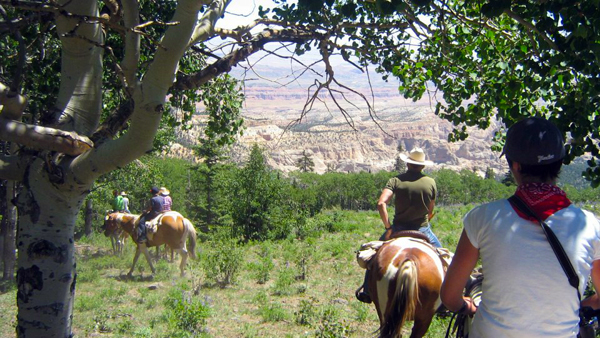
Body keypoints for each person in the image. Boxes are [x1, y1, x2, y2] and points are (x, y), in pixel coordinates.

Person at [441, 117, 600, 337]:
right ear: (560, 164)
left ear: (515, 165)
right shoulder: (590, 225)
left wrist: (465, 306)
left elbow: (449, 297)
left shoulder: (482, 217)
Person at [355, 147, 440, 304]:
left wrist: (388, 228)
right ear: (422, 166)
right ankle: (446, 297)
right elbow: (430, 210)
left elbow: (381, 203)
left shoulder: (395, 180)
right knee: (442, 257)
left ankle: (367, 290)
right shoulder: (431, 182)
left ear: (408, 164)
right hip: (422, 229)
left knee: (374, 257)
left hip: (398, 228)